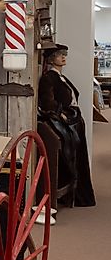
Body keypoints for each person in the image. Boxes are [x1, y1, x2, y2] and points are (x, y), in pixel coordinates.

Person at [38, 44, 96, 209]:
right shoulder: (49, 77)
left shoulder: (60, 77)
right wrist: (60, 113)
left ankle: (80, 194)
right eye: (59, 54)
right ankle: (75, 193)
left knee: (81, 157)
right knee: (75, 157)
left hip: (74, 121)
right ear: (51, 58)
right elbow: (47, 101)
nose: (63, 57)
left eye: (64, 54)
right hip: (66, 122)